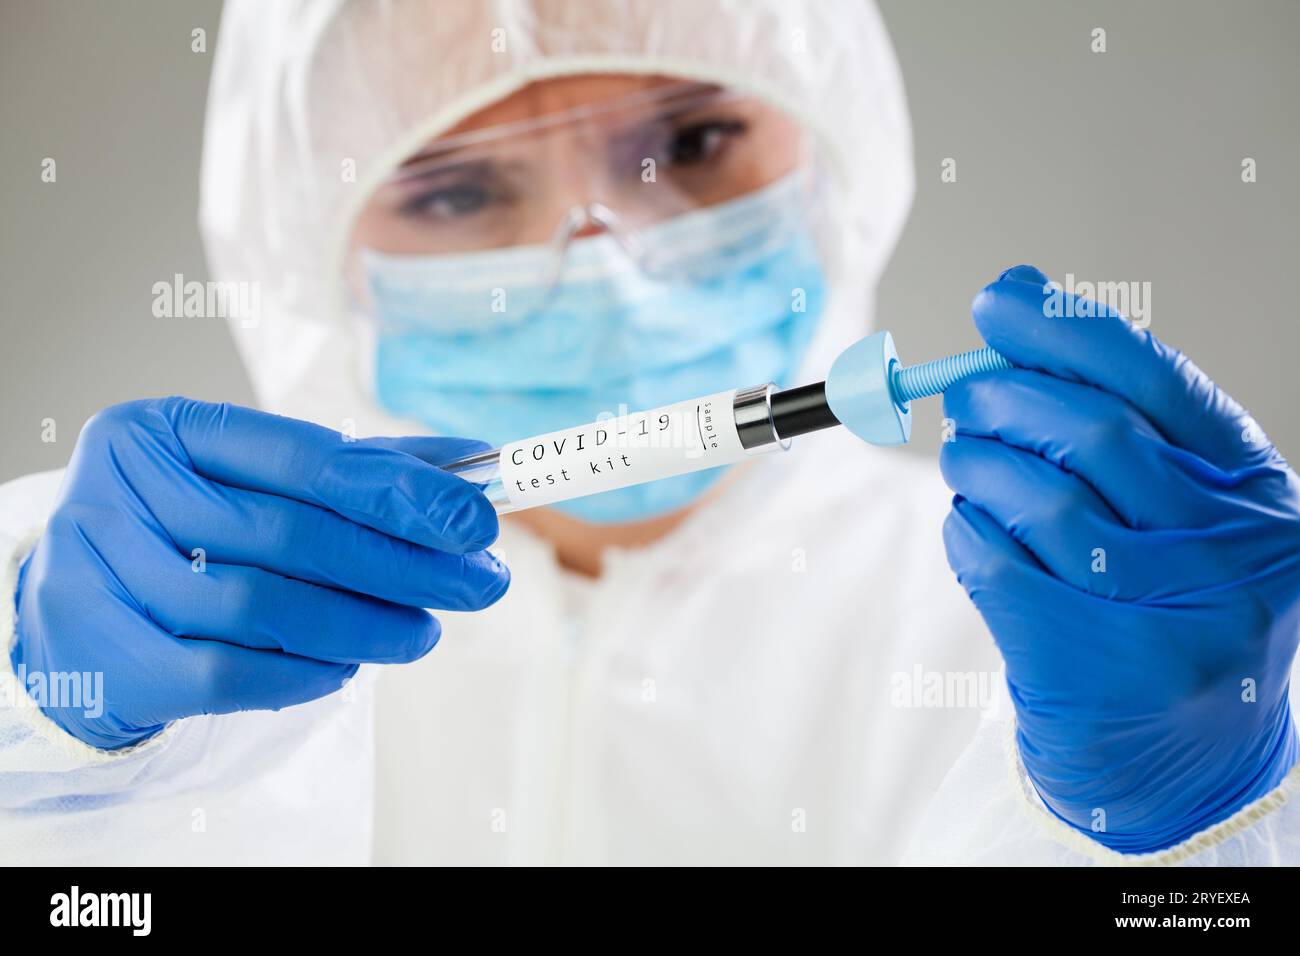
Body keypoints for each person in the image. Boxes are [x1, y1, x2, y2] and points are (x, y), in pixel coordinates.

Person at [1, 0, 1298, 866]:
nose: (606, 264)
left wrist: (1188, 827)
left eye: (692, 138)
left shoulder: (1072, 620)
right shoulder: (148, 594)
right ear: (301, 242)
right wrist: (59, 736)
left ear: (833, 133)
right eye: (455, 189)